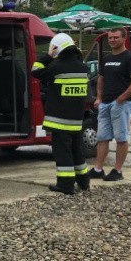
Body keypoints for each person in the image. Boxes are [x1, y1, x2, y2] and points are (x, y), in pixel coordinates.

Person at [31, 33, 90, 194]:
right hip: (77, 120)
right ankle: (84, 182)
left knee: (63, 153)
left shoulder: (56, 67)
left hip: (59, 120)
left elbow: (35, 70)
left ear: (58, 49)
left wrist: (48, 55)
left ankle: (65, 185)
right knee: (77, 151)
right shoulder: (83, 68)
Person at [89, 27, 131, 181]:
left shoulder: (130, 57)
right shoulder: (106, 58)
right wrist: (98, 97)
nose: (112, 40)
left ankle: (117, 171)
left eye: (116, 37)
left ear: (124, 38)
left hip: (122, 104)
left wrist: (122, 98)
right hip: (105, 104)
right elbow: (101, 78)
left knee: (121, 137)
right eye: (110, 38)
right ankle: (98, 169)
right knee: (102, 137)